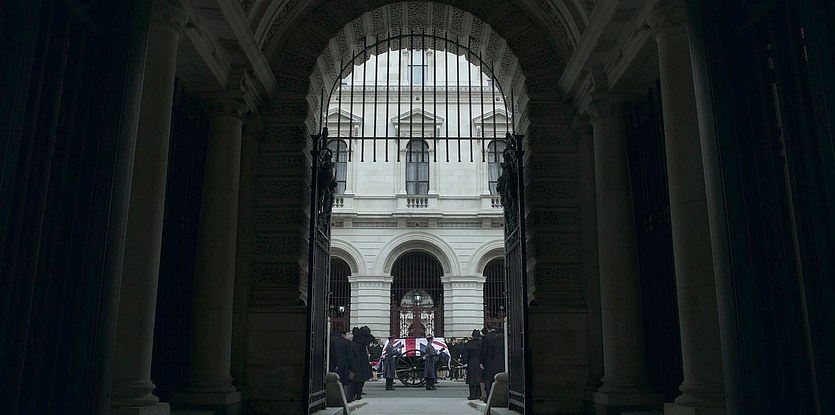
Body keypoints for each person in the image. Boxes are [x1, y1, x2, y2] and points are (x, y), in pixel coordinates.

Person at [347, 326, 375, 401]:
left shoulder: (353, 341)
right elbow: (372, 338)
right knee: (361, 379)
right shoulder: (363, 340)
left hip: (355, 362)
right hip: (363, 362)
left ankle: (354, 394)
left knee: (355, 379)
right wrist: (366, 333)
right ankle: (358, 394)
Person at [329, 330, 354, 401]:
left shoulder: (331, 340)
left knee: (332, 381)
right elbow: (349, 356)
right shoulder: (346, 342)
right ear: (343, 334)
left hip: (332, 364)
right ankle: (341, 398)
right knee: (342, 382)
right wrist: (351, 367)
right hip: (344, 365)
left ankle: (332, 397)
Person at [461, 329, 483, 400]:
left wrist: (464, 362)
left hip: (471, 362)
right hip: (480, 362)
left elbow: (465, 354)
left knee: (471, 379)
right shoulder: (482, 343)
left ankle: (472, 395)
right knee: (479, 379)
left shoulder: (469, 343)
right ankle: (478, 394)